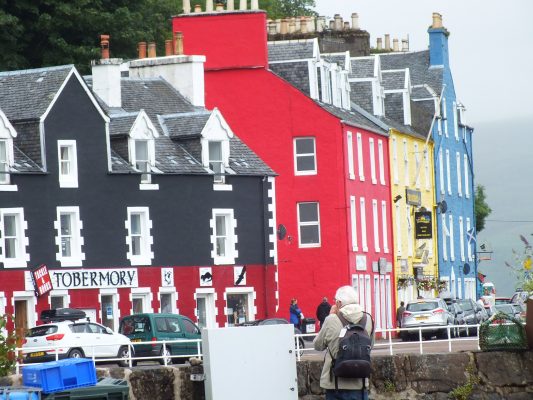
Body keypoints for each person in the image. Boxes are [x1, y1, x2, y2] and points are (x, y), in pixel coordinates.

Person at [313, 286, 374, 400]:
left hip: (335, 384)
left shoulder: (331, 319)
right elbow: (371, 346)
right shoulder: (368, 319)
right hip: (359, 384)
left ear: (339, 303)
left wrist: (330, 316)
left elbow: (318, 345)